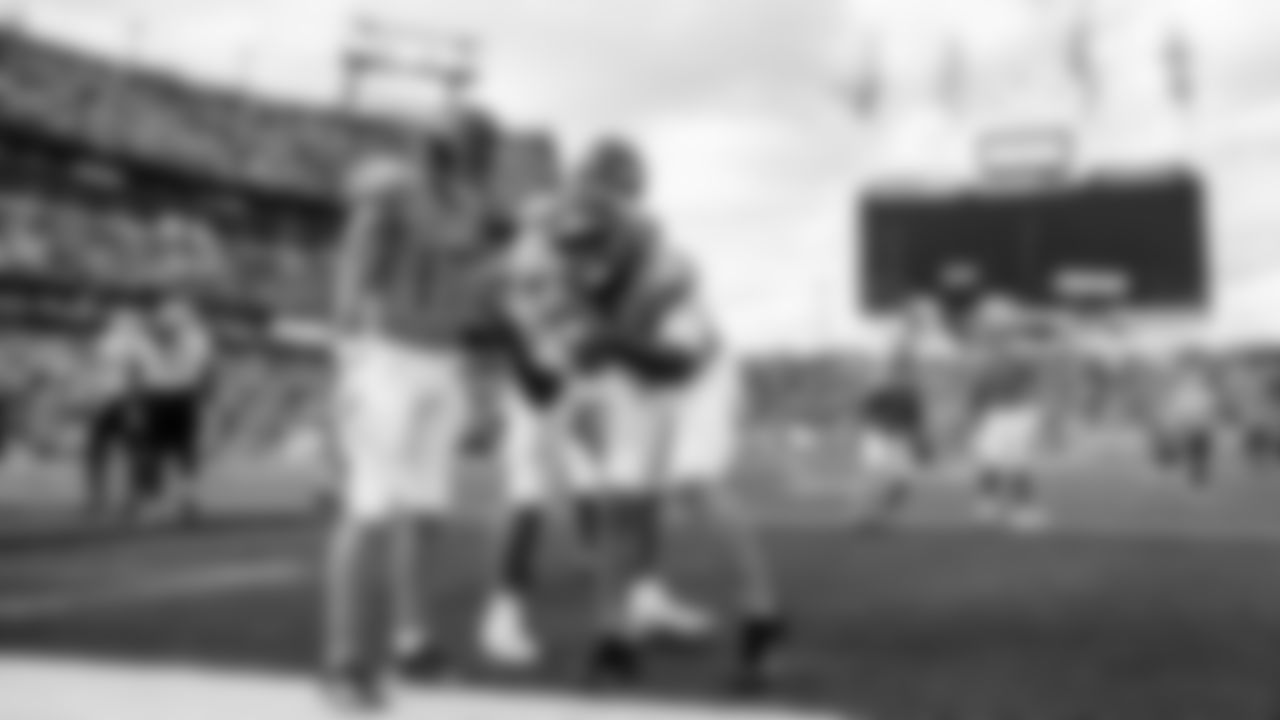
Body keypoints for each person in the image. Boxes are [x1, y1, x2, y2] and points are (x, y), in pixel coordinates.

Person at [561, 138, 783, 689]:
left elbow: (679, 363)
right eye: (576, 245)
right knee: (620, 503)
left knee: (694, 483)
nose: (583, 258)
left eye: (594, 243)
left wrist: (607, 343)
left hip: (696, 379)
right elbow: (589, 333)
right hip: (636, 374)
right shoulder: (583, 258)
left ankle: (762, 615)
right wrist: (588, 384)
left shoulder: (667, 267)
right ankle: (614, 637)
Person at [319, 108, 496, 708]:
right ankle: (344, 662)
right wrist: (348, 355)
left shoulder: (467, 203)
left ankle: (411, 642)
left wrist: (474, 370)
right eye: (467, 141)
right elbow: (352, 264)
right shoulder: (394, 189)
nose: (473, 154)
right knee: (369, 510)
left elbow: (461, 287)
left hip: (441, 365)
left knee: (426, 513)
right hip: (388, 360)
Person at [138, 293, 215, 524]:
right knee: (169, 452)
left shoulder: (194, 338)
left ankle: (176, 500)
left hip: (173, 395)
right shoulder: (194, 337)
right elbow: (205, 370)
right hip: (166, 396)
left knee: (175, 451)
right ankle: (171, 500)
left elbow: (205, 370)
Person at [82, 308, 150, 518]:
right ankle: (126, 499)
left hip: (112, 401)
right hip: (116, 400)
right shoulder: (133, 343)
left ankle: (103, 498)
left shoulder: (112, 343)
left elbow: (133, 374)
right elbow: (135, 375)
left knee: (101, 451)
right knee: (126, 452)